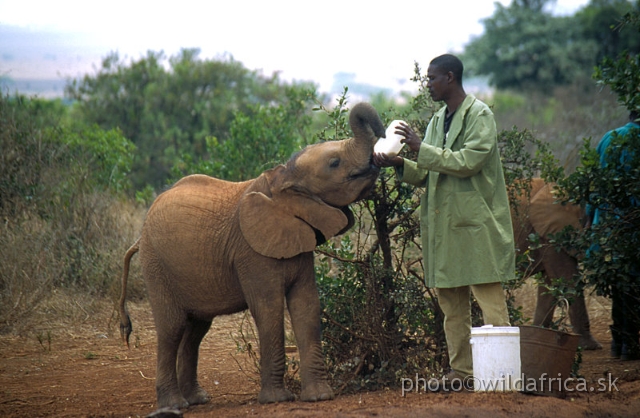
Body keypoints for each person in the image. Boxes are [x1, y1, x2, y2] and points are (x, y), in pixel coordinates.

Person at [373, 54, 515, 385]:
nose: (428, 85)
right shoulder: (439, 120)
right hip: (448, 228)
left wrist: (421, 146)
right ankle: (462, 374)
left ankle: (504, 376)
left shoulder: (480, 115)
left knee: (490, 303)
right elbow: (427, 172)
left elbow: (469, 162)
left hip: (476, 226)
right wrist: (397, 162)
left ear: (450, 78)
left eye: (432, 79)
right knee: (452, 306)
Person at [586, 110, 640, 361]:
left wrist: (590, 220)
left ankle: (620, 342)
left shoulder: (609, 138)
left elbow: (593, 186)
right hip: (633, 226)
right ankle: (630, 342)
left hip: (607, 225)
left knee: (621, 284)